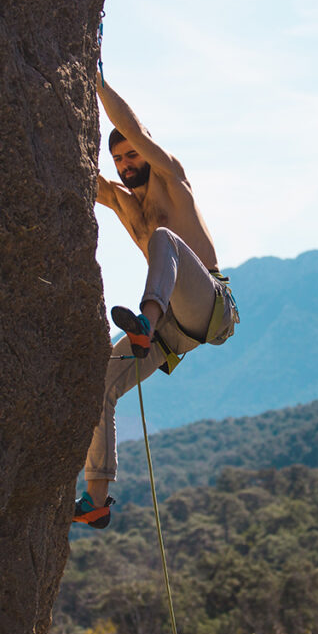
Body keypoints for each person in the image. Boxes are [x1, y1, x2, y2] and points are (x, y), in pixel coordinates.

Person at [73, 71, 239, 529]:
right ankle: (97, 499)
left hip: (209, 302)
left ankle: (144, 322)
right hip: (172, 332)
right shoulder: (125, 204)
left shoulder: (173, 180)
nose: (126, 163)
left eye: (131, 154)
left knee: (163, 238)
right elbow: (84, 175)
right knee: (99, 385)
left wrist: (97, 84)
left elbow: (137, 131)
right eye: (119, 159)